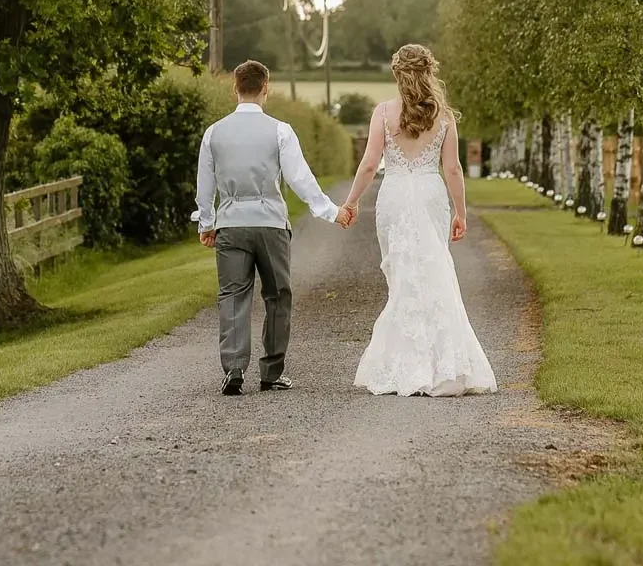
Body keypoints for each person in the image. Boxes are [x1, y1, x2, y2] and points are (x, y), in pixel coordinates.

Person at [336, 44, 497, 397]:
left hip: (393, 196)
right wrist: (461, 212)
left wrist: (351, 201)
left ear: (397, 74)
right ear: (428, 72)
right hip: (429, 193)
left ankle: (405, 363)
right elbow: (452, 169)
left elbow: (368, 164)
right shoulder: (443, 117)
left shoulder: (383, 113)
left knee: (402, 271)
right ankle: (440, 364)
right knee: (433, 268)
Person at [195, 60, 341, 396]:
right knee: (277, 295)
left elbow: (205, 184)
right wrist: (330, 211)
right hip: (271, 224)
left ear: (235, 88)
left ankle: (233, 369)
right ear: (266, 88)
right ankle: (271, 372)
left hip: (231, 224)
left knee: (232, 295)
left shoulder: (214, 132)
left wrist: (206, 222)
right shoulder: (280, 130)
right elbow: (300, 177)